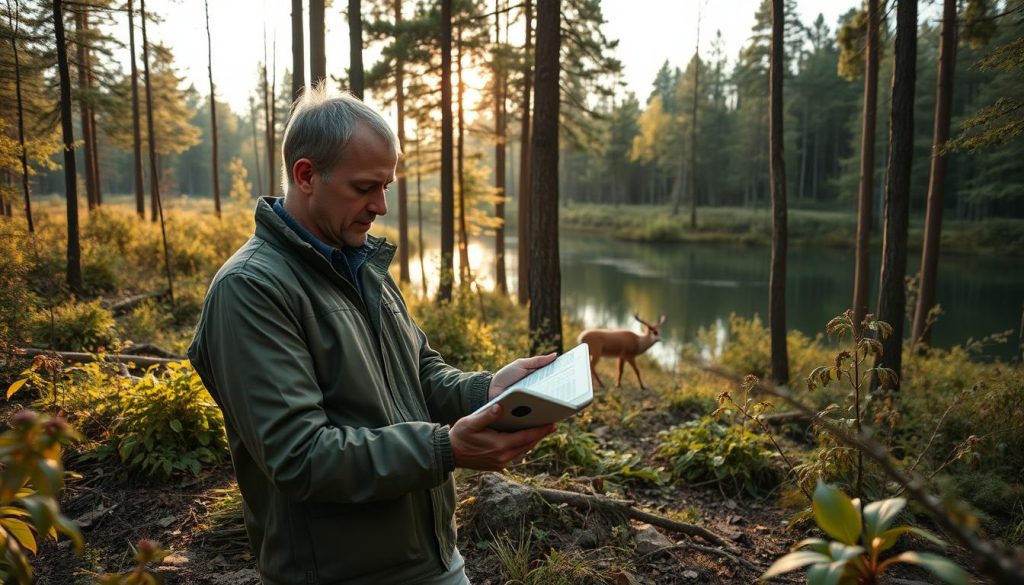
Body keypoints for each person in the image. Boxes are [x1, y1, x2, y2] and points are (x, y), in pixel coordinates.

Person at [187, 86, 556, 585]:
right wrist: (445, 449)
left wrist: (487, 390)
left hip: (431, 556)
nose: (380, 205)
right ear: (306, 175)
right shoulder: (251, 289)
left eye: (386, 186)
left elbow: (419, 372)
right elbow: (300, 456)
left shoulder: (361, 263)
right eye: (365, 187)